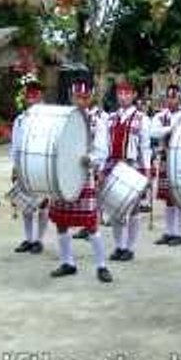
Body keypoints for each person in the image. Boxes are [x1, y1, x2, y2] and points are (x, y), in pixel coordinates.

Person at [48, 79, 113, 283]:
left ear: (91, 97)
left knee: (91, 223)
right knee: (61, 222)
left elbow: (102, 150)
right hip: (62, 176)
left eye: (85, 97)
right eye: (77, 97)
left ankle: (102, 265)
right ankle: (68, 263)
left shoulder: (99, 120)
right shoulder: (63, 117)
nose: (81, 101)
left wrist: (90, 160)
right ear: (71, 96)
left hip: (84, 177)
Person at [106, 80, 151, 262]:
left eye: (127, 93)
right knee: (116, 208)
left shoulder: (142, 119)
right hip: (114, 166)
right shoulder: (110, 118)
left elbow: (146, 147)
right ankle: (119, 246)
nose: (123, 97)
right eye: (120, 93)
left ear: (134, 96)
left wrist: (147, 171)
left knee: (132, 209)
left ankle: (129, 247)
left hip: (132, 166)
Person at [10, 79, 49, 255]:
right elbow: (15, 145)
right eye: (30, 95)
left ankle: (39, 240)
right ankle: (29, 238)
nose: (32, 98)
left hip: (42, 165)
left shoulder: (49, 117)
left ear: (41, 97)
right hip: (25, 165)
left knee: (43, 204)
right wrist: (15, 167)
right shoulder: (20, 119)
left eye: (36, 95)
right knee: (26, 204)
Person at [150, 84, 181, 246]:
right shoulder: (160, 116)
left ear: (180, 98)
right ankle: (169, 231)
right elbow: (153, 133)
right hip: (165, 157)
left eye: (174, 97)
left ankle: (178, 233)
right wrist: (170, 128)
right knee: (167, 198)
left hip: (180, 159)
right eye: (169, 97)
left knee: (178, 197)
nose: (171, 100)